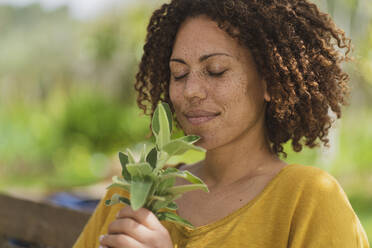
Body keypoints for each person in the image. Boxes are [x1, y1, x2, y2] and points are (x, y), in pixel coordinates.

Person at [73, 0, 370, 247]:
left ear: (270, 81)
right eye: (179, 74)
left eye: (215, 71)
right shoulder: (131, 194)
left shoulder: (309, 200)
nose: (190, 91)